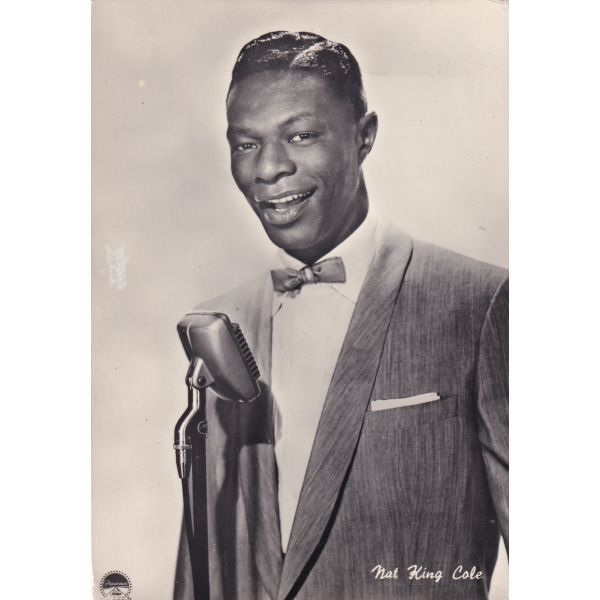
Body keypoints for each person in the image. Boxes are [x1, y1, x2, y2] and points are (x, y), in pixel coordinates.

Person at [174, 31, 508, 600]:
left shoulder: (480, 302)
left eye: (300, 136)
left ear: (364, 136)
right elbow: (200, 561)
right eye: (246, 144)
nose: (268, 169)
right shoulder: (222, 321)